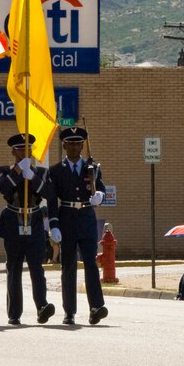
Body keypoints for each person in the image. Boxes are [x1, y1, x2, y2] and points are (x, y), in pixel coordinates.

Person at [47, 127, 108, 325]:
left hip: (87, 217)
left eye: (78, 143)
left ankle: (96, 307)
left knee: (91, 263)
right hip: (67, 218)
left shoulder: (92, 167)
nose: (74, 147)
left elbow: (101, 188)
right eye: (70, 143)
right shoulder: (56, 171)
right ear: (64, 145)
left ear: (83, 145)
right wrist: (53, 225)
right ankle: (69, 311)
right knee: (69, 266)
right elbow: (52, 201)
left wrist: (100, 196)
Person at [0, 134, 58, 325]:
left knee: (36, 268)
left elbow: (49, 193)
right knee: (13, 268)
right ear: (13, 152)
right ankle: (14, 313)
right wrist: (17, 172)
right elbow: (3, 188)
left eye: (28, 149)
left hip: (35, 220)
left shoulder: (41, 172)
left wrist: (32, 177)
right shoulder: (5, 170)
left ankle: (42, 306)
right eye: (20, 149)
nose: (25, 152)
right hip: (13, 220)